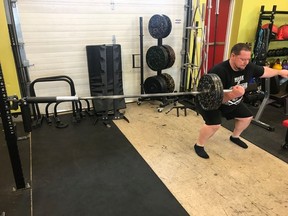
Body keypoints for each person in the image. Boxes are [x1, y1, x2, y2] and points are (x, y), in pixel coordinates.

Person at [194, 42, 288, 159]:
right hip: (211, 103)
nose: (246, 62)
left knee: (247, 117)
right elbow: (215, 100)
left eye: (248, 59)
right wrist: (233, 94)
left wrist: (280, 72)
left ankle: (235, 137)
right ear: (233, 56)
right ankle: (199, 145)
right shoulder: (219, 71)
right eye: (242, 59)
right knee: (214, 125)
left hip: (232, 101)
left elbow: (264, 71)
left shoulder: (248, 67)